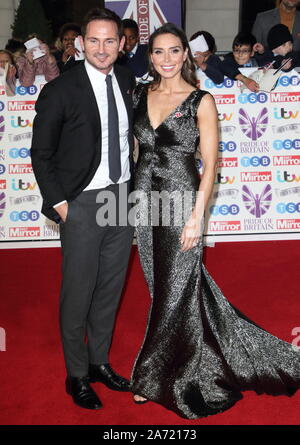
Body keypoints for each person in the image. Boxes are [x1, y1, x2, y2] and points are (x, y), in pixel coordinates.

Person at [130, 22, 300, 419]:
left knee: (174, 289)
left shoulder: (200, 100)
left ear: (185, 55)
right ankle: (198, 355)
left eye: (175, 51)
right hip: (144, 203)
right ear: (150, 56)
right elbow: (137, 151)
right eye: (159, 51)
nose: (167, 59)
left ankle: (153, 375)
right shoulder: (138, 93)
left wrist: (196, 217)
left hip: (181, 203)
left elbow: (211, 166)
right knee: (166, 287)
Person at [31, 8, 135, 410]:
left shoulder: (127, 80)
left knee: (109, 288)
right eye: (94, 40)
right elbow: (41, 154)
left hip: (121, 198)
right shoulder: (60, 90)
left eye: (110, 40)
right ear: (80, 43)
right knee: (78, 292)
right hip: (82, 203)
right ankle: (76, 375)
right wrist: (61, 204)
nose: (102, 48)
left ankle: (99, 363)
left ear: (122, 44)